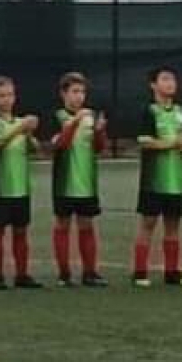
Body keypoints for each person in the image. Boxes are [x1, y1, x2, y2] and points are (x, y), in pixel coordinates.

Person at [132, 67, 182, 288]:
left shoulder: (181, 111)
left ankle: (172, 272)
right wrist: (172, 143)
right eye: (165, 79)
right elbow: (144, 141)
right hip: (154, 179)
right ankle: (140, 272)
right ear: (153, 84)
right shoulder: (148, 111)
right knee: (148, 223)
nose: (171, 83)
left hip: (176, 179)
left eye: (173, 79)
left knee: (173, 225)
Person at [49, 73, 108, 288]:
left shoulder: (91, 116)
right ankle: (64, 274)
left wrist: (100, 131)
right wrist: (75, 121)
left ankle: (90, 272)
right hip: (64, 182)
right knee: (63, 224)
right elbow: (60, 145)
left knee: (87, 225)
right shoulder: (57, 116)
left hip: (87, 182)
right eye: (74, 91)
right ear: (63, 94)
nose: (79, 96)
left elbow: (99, 148)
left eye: (82, 92)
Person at [0, 76, 41, 290]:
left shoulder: (19, 122)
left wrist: (30, 134)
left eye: (10, 95)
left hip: (21, 186)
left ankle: (22, 274)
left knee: (21, 231)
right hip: (1, 187)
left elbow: (34, 148)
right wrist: (20, 128)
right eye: (1, 96)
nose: (6, 100)